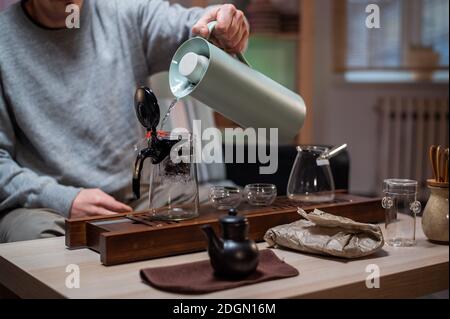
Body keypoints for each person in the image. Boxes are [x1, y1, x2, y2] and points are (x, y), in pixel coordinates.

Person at [0, 0, 249, 242]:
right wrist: (63, 199)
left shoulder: (125, 12)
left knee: (235, 206)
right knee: (34, 241)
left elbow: (189, 26)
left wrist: (221, 22)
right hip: (49, 208)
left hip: (139, 197)